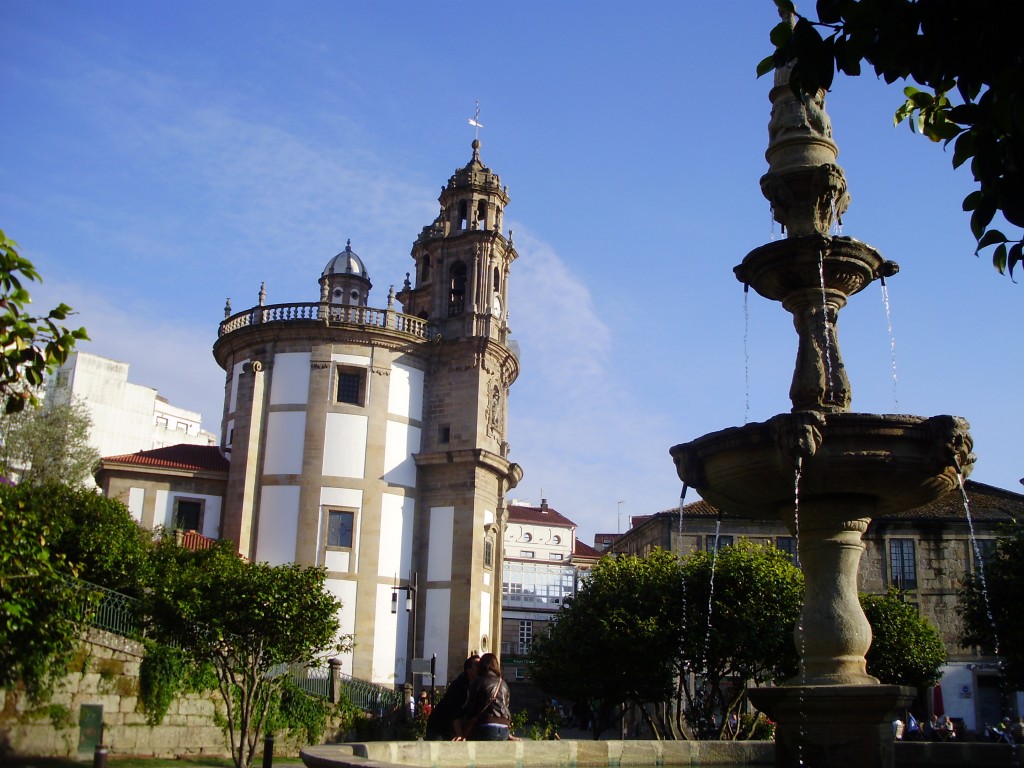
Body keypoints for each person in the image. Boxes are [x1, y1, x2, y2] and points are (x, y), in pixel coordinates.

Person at [455, 652, 512, 741]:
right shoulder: (503, 683)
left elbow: (472, 706)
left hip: (486, 724)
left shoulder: (478, 681)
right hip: (505, 727)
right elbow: (506, 706)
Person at [425, 653, 479, 740]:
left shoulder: (471, 685)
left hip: (448, 728)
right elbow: (455, 712)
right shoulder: (460, 685)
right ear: (469, 670)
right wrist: (460, 734)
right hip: (439, 727)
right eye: (477, 665)